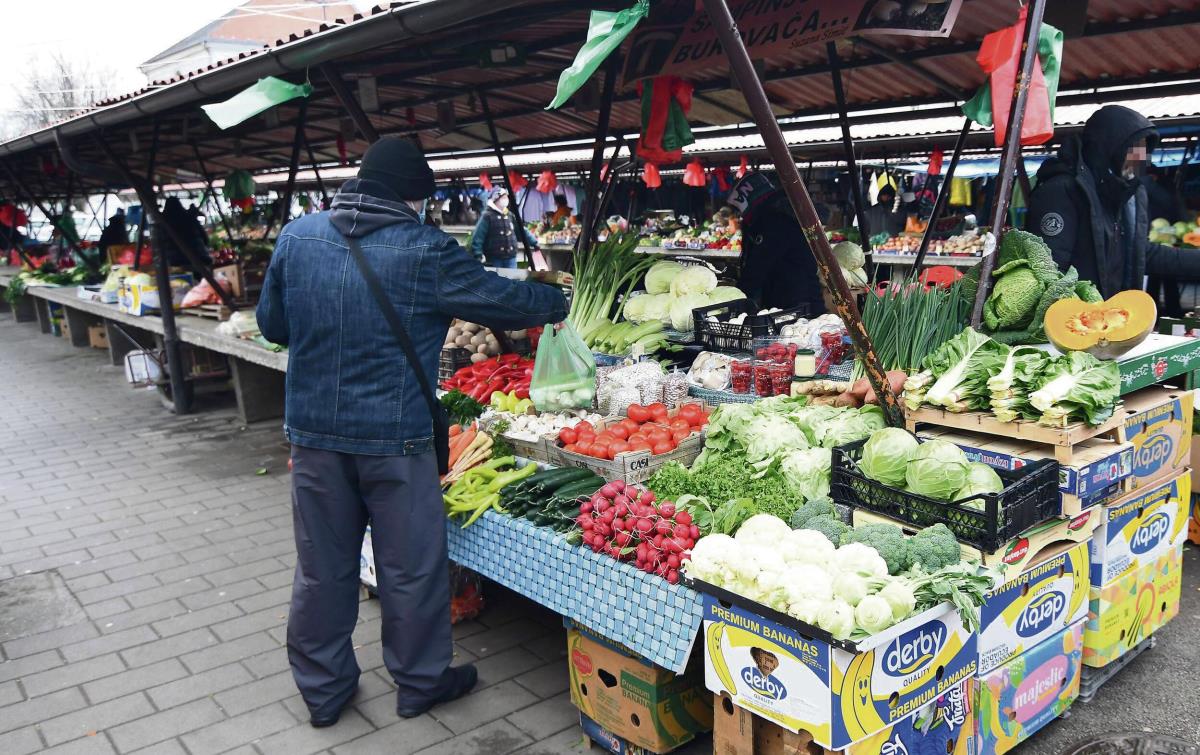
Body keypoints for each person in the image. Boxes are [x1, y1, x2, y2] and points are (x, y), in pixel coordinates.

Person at [256, 138, 567, 728]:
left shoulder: (297, 237)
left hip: (315, 438)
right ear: (413, 198)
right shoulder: (425, 248)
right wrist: (555, 300)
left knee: (322, 567)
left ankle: (323, 693)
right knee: (410, 568)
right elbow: (499, 300)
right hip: (396, 440)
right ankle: (420, 683)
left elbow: (273, 326)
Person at [1027, 104, 1200, 298]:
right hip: (1074, 314)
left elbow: (1141, 254)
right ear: (1110, 147)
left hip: (1113, 313)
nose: (1141, 159)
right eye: (1135, 149)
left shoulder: (1127, 196)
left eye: (1144, 150)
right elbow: (1048, 271)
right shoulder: (1062, 191)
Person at [727, 172, 827, 314]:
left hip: (797, 306)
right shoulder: (783, 214)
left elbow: (757, 268)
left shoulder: (773, 222)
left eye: (738, 210)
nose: (739, 216)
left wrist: (736, 299)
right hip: (800, 300)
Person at [1142, 165, 1187, 317]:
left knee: (1157, 277)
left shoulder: (1150, 187)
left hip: (1157, 236)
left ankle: (1154, 312)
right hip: (1167, 236)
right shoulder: (1168, 189)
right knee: (1167, 277)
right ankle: (1172, 311)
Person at [470, 187, 538, 267]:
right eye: (503, 197)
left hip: (511, 257)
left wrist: (534, 242)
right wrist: (478, 254)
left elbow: (521, 230)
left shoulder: (509, 215)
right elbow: (478, 236)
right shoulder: (487, 216)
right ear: (496, 199)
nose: (506, 200)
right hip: (494, 258)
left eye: (506, 197)